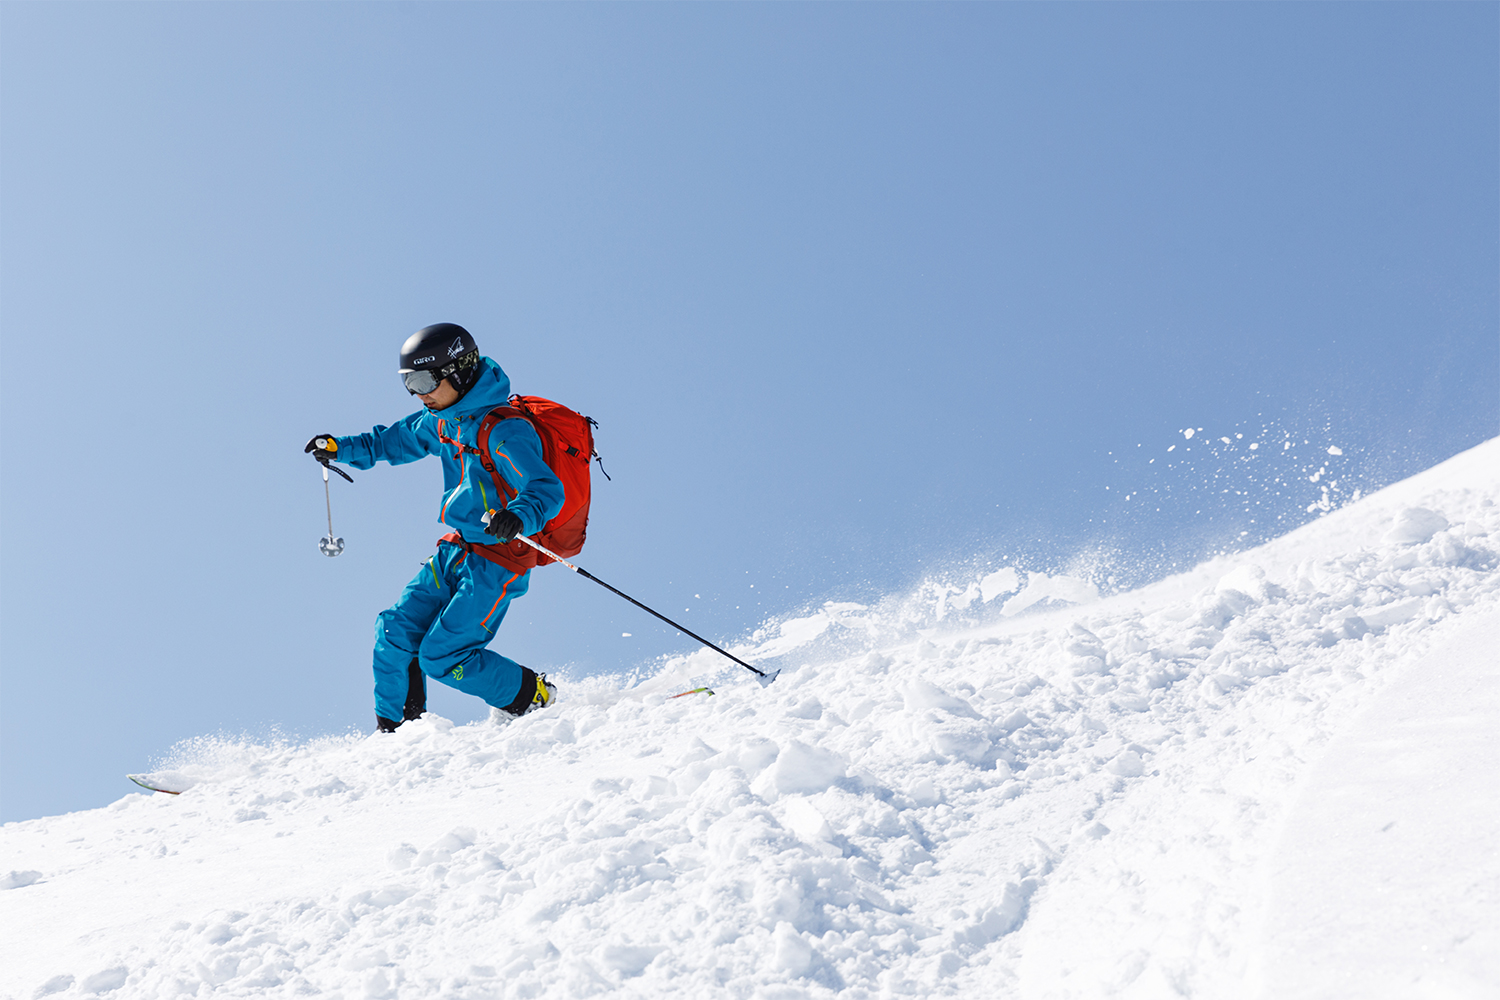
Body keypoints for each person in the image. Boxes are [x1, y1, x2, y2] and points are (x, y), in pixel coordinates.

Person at [306, 323, 563, 732]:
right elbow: (389, 443)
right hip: (457, 548)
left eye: (424, 380)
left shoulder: (503, 429)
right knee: (393, 632)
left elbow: (546, 489)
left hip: (498, 559)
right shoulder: (442, 420)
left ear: (458, 371)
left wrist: (519, 515)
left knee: (443, 655)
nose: (418, 393)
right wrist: (340, 447)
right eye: (409, 383)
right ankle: (398, 736)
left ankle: (532, 695)